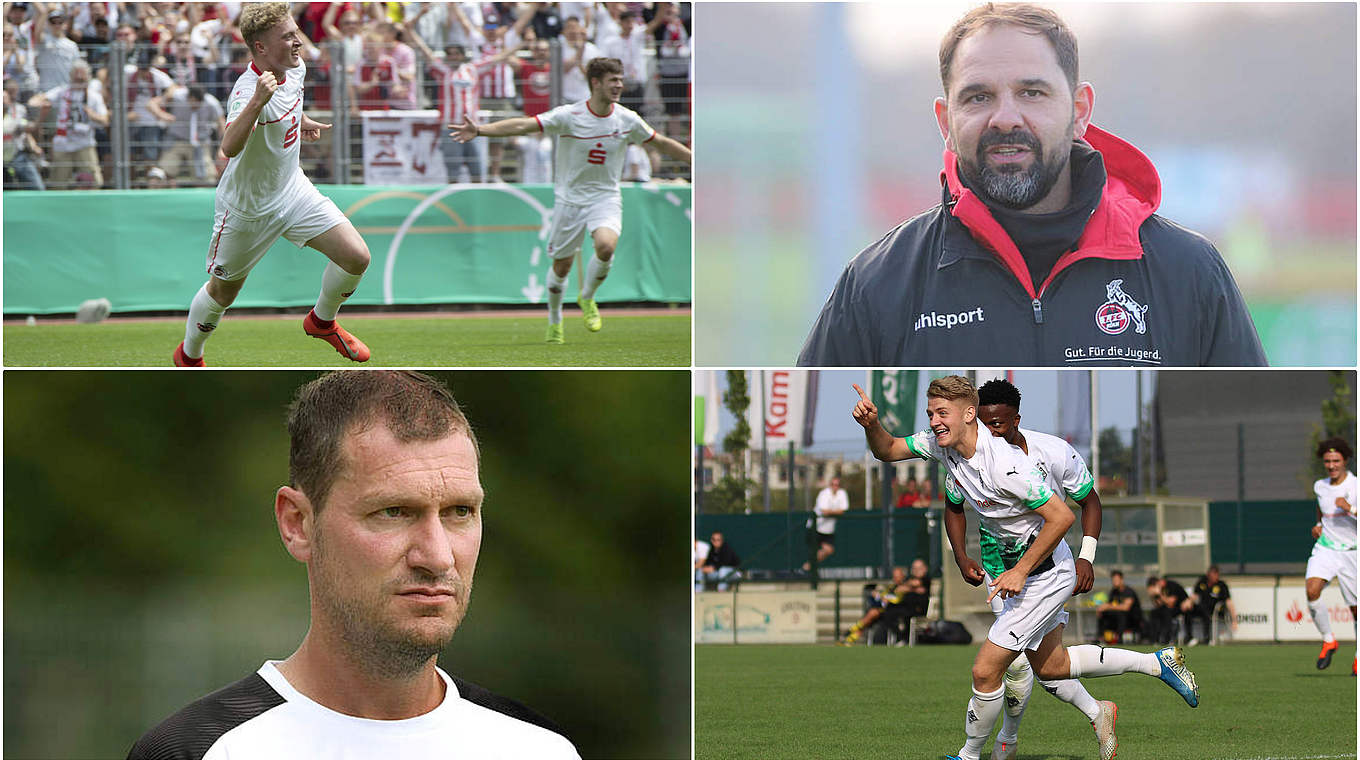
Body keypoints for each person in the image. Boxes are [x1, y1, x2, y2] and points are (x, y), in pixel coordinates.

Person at [126, 371, 581, 759]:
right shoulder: (200, 750)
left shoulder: (539, 749)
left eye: (460, 512)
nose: (439, 556)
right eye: (394, 512)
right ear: (298, 523)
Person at [797, 3, 1266, 367]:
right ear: (946, 120)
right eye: (978, 97)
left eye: (1032, 93)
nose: (1005, 118)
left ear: (1080, 111)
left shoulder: (1188, 273)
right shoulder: (877, 285)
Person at [851, 376, 1198, 760]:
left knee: (986, 670)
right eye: (931, 413)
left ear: (970, 415)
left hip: (1045, 575)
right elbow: (888, 450)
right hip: (1020, 572)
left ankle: (972, 754)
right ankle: (1155, 664)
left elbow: (1063, 517)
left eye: (941, 413)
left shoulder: (1006, 466)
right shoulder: (942, 444)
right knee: (1052, 667)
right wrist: (872, 426)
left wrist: (1024, 570)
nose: (933, 421)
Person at [173, 2, 372, 367]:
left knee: (356, 256)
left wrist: (301, 120)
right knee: (223, 293)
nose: (298, 42)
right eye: (288, 37)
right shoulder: (247, 90)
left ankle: (321, 321)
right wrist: (257, 102)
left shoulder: (295, 68)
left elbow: (288, 103)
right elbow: (229, 146)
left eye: (296, 33)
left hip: (293, 190)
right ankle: (190, 355)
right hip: (247, 209)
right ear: (261, 47)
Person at [450, 56, 691, 343]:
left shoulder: (627, 119)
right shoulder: (569, 115)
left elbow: (661, 142)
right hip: (570, 200)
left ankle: (587, 297)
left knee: (605, 246)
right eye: (612, 80)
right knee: (561, 267)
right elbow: (522, 126)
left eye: (620, 80)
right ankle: (555, 320)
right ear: (595, 83)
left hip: (606, 197)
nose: (618, 85)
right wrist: (480, 130)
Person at [968, 377, 1108, 760]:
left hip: (1047, 571)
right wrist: (960, 556)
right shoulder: (970, 455)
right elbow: (951, 506)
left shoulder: (1054, 451)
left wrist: (1086, 556)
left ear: (1016, 419)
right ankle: (1109, 702)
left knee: (1019, 665)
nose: (990, 431)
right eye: (984, 424)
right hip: (1001, 572)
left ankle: (998, 747)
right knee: (1041, 666)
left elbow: (1089, 502)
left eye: (998, 423)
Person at [1307, 437, 1357, 673]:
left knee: (1356, 609)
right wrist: (1318, 523)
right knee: (1312, 590)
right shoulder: (1320, 486)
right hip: (1326, 548)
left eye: (1336, 460)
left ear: (1345, 460)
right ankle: (1329, 640)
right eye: (1327, 461)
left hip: (1352, 551)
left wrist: (1350, 509)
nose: (1331, 465)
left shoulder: (1355, 486)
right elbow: (1321, 506)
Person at [27, 59, 106, 189]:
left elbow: (105, 120)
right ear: (71, 76)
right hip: (63, 143)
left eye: (82, 75)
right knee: (58, 183)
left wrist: (91, 114)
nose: (79, 77)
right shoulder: (62, 91)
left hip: (84, 142)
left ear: (88, 76)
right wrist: (39, 102)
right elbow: (39, 99)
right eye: (76, 74)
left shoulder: (94, 96)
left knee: (94, 181)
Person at [1186, 564, 1236, 646]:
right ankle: (1189, 637)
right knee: (1187, 610)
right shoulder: (1202, 582)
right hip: (1201, 608)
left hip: (1214, 610)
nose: (1213, 576)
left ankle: (1207, 638)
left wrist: (1234, 620)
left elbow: (1228, 602)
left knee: (1205, 612)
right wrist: (1188, 602)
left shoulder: (1221, 585)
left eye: (1215, 574)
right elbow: (1195, 595)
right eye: (1211, 574)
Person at [809, 475, 848, 567]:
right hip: (816, 527)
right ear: (830, 485)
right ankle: (808, 570)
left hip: (828, 530)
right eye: (833, 484)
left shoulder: (842, 493)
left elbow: (842, 510)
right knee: (818, 550)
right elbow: (824, 511)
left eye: (837, 485)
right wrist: (835, 511)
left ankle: (807, 568)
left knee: (829, 550)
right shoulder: (824, 494)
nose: (835, 486)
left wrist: (832, 512)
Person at [1095, 570, 1142, 644]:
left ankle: (1120, 639)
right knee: (1104, 614)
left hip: (1132, 619)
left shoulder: (1128, 591)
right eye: (1113, 580)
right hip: (1117, 618)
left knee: (1121, 614)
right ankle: (1100, 638)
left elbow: (1126, 607)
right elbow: (1110, 604)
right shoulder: (1113, 592)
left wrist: (1108, 606)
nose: (1115, 582)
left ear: (1121, 580)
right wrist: (1102, 609)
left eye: (1116, 580)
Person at [1145, 575, 1190, 646]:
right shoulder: (1160, 590)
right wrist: (1153, 596)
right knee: (1154, 613)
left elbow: (1171, 603)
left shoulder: (1171, 586)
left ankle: (1166, 639)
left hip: (1181, 608)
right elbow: (1158, 605)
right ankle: (1154, 638)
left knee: (1166, 614)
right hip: (1167, 609)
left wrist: (1160, 594)